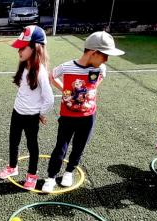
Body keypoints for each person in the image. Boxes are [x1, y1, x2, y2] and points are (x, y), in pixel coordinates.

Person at [41, 31, 124, 193]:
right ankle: (51, 177)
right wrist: (65, 90)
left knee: (79, 146)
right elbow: (51, 76)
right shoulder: (67, 67)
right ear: (93, 52)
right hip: (67, 117)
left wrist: (85, 96)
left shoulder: (101, 69)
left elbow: (94, 85)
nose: (106, 60)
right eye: (105, 55)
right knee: (61, 147)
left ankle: (69, 172)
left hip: (88, 117)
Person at [0, 25, 54, 190]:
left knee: (32, 145)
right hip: (17, 112)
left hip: (31, 116)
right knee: (13, 141)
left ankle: (32, 175)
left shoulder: (40, 72)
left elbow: (49, 99)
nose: (18, 51)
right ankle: (12, 168)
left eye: (22, 47)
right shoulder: (24, 65)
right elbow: (24, 89)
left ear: (35, 48)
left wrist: (40, 113)